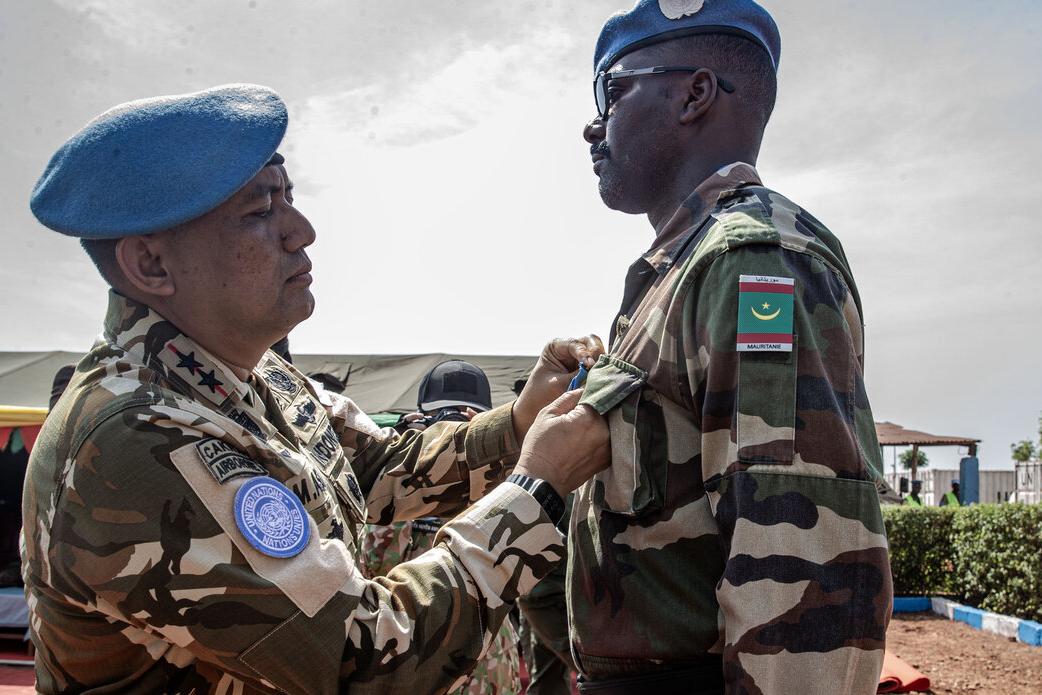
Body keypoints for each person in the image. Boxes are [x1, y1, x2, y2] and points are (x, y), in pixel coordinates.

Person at [22, 84, 610, 694]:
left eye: (289, 199)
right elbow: (363, 660)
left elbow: (379, 467)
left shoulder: (248, 374)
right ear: (151, 266)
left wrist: (517, 424)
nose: (301, 231)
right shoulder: (134, 436)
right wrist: (535, 491)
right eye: (258, 212)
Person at [570, 2, 892, 693]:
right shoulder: (685, 268)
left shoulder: (754, 260)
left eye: (613, 90)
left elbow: (800, 567)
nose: (593, 124)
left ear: (694, 94)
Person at [361, 360, 521, 694]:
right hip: (474, 659)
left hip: (424, 657)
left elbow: (370, 563)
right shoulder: (399, 478)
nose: (449, 428)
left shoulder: (511, 473)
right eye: (440, 418)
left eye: (461, 420)